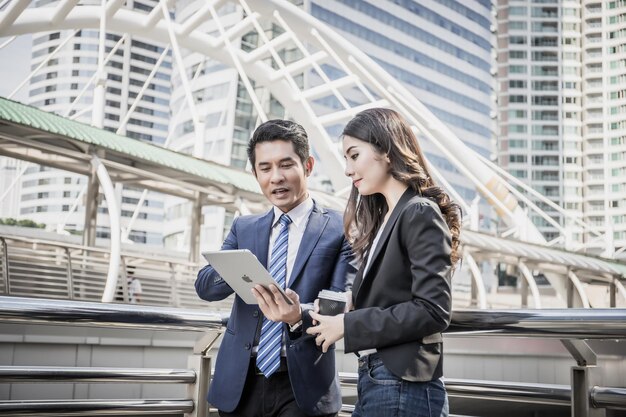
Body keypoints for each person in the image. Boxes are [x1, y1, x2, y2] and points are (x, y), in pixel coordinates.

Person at [307, 108, 461, 417]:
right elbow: (396, 296)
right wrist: (352, 305)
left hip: (403, 384)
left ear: (387, 151)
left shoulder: (419, 212)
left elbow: (433, 309)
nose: (348, 170)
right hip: (379, 380)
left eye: (354, 155)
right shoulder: (386, 219)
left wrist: (348, 325)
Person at [195, 119, 355, 417]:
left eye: (286, 165)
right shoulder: (244, 228)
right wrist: (240, 267)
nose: (276, 177)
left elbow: (340, 304)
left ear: (307, 165)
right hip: (241, 383)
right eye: (265, 168)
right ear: (255, 174)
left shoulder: (341, 227)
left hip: (304, 385)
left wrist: (298, 316)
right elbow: (205, 287)